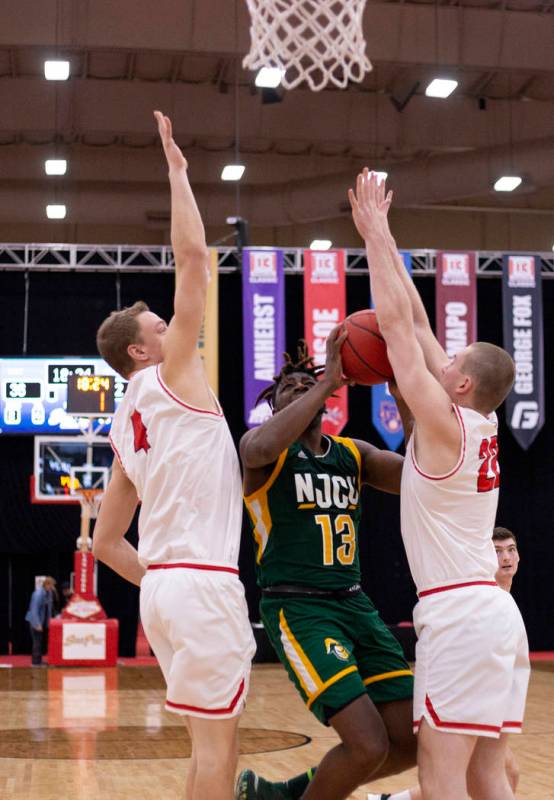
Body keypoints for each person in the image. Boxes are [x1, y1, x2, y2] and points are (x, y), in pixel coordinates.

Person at [349, 170, 529, 800]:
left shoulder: (447, 428)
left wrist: (370, 234)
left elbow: (399, 333)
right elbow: (419, 325)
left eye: (451, 363)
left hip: (459, 615)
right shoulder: (482, 419)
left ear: (459, 385)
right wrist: (390, 237)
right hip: (494, 615)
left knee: (441, 774)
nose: (442, 358)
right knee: (485, 772)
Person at [92, 110, 255, 800]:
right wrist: (179, 172)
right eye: (161, 325)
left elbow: (104, 542)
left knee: (209, 747)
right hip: (200, 582)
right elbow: (194, 260)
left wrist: (160, 578)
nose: (172, 324)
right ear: (141, 349)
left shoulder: (124, 423)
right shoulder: (173, 375)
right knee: (220, 751)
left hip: (164, 589)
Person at [236, 339, 419, 800]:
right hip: (299, 609)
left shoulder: (352, 453)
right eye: (289, 388)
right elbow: (257, 446)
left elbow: (423, 476)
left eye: (308, 384)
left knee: (411, 743)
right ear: (274, 406)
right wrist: (325, 385)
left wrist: (402, 396)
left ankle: (288, 795)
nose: (300, 389)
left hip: (356, 605)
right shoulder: (263, 454)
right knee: (367, 745)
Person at [367, 526, 522, 800]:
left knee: (499, 773)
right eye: (497, 551)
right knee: (471, 774)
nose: (506, 557)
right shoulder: (476, 600)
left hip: (491, 695)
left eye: (511, 549)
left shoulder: (506, 605)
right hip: (462, 692)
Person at [25, 576, 56, 666]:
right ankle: (35, 663)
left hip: (43, 621)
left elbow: (49, 608)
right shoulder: (38, 594)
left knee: (40, 642)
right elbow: (34, 610)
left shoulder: (49, 593)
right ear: (46, 584)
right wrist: (37, 624)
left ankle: (39, 661)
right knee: (37, 642)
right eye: (51, 585)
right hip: (34, 621)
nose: (52, 587)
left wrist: (49, 622)